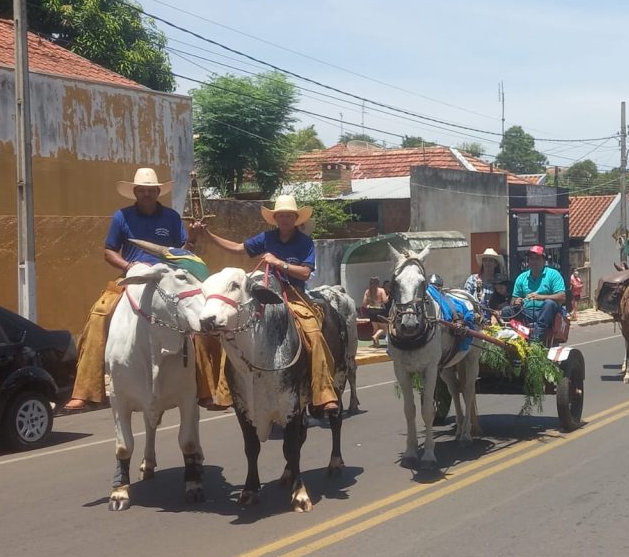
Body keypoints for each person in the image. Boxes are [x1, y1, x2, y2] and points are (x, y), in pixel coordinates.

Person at [64, 167, 216, 411]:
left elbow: (183, 252)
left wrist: (193, 238)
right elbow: (108, 251)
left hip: (168, 280)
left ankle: (206, 390)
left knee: (195, 318)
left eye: (151, 191)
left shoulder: (172, 217)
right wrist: (128, 264)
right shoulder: (121, 217)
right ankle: (85, 390)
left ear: (158, 192)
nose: (146, 194)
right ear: (135, 192)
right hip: (132, 276)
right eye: (142, 191)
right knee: (98, 316)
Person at [197, 195, 339, 416]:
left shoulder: (304, 242)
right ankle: (225, 393)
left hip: (294, 295)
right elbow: (237, 248)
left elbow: (305, 272)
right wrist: (207, 235)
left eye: (288, 216)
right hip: (263, 295)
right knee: (231, 331)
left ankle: (324, 393)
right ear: (275, 218)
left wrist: (279, 263)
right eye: (280, 215)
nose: (284, 219)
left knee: (314, 334)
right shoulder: (266, 237)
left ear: (295, 219)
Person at [503, 245, 566, 342]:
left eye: (537, 259)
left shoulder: (553, 274)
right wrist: (516, 302)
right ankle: (515, 336)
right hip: (527, 312)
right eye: (531, 259)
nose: (534, 262)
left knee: (549, 303)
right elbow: (513, 300)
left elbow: (562, 297)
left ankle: (536, 338)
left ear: (544, 261)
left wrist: (541, 297)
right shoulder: (521, 277)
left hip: (547, 314)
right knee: (507, 310)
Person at [362, 276, 390, 348]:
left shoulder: (367, 291)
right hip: (380, 310)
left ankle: (376, 344)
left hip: (371, 310)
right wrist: (389, 296)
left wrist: (369, 306)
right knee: (385, 328)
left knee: (375, 328)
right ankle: (375, 336)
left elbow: (364, 304)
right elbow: (385, 301)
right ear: (378, 283)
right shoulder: (381, 290)